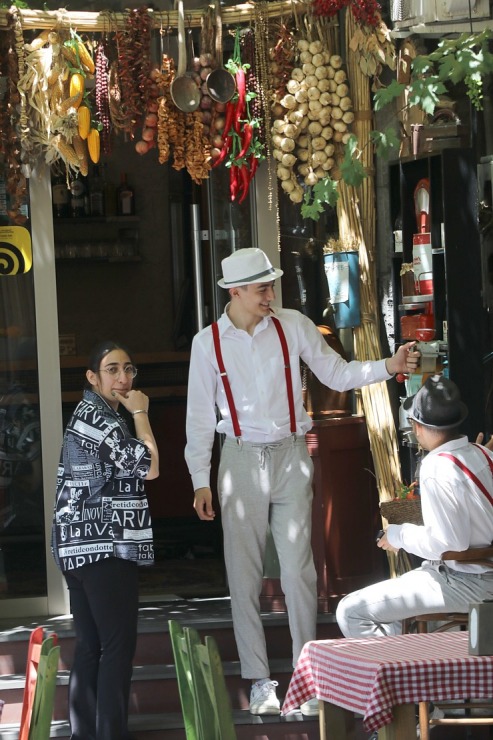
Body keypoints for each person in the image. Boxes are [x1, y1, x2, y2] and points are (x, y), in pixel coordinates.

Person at [184, 247, 418, 716]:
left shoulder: (293, 324)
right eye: (261, 288)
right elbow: (197, 417)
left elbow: (335, 370)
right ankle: (259, 680)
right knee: (244, 573)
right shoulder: (207, 342)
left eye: (271, 285)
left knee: (298, 571)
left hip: (292, 453)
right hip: (239, 459)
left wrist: (386, 368)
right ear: (235, 291)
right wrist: (199, 479)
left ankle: (305, 678)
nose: (271, 294)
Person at [51, 340, 159, 740]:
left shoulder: (88, 414)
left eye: (128, 369)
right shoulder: (104, 419)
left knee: (90, 647)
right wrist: (141, 413)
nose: (123, 377)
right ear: (92, 377)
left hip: (78, 547)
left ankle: (85, 735)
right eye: (112, 369)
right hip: (104, 545)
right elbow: (148, 466)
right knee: (115, 649)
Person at [336, 374, 493, 639]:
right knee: (389, 616)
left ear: (417, 426)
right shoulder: (482, 453)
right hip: (475, 575)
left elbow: (448, 542)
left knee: (351, 611)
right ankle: (404, 665)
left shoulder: (436, 465)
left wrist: (398, 535)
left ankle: (398, 677)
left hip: (469, 581)